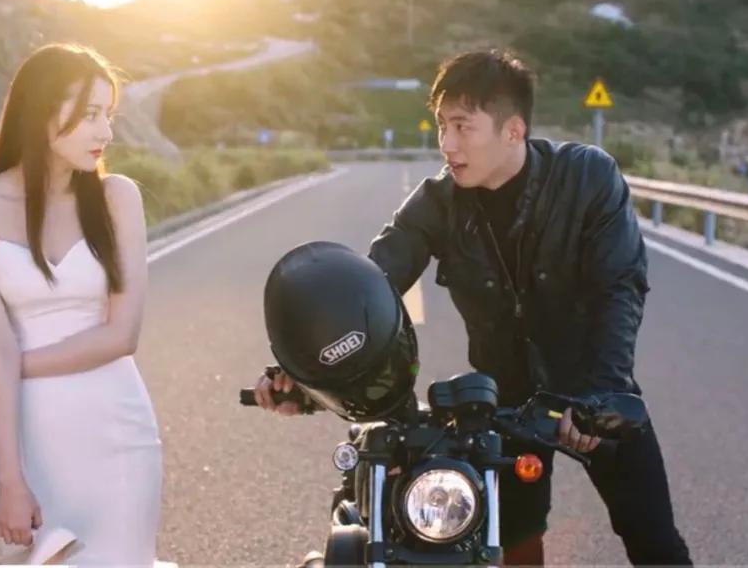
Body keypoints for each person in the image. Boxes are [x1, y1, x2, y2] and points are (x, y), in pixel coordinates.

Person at [252, 48, 691, 565]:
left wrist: (602, 394)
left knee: (654, 540)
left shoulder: (587, 177)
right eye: (442, 126)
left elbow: (620, 287)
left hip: (593, 391)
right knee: (508, 543)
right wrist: (303, 375)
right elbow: (367, 291)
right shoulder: (437, 201)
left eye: (462, 127)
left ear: (513, 130)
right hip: (501, 405)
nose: (447, 144)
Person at [0, 43, 162, 565]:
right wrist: (10, 480)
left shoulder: (118, 198)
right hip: (29, 437)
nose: (105, 132)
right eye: (90, 114)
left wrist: (14, 365)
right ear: (41, 110)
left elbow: (122, 335)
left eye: (108, 115)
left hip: (118, 432)